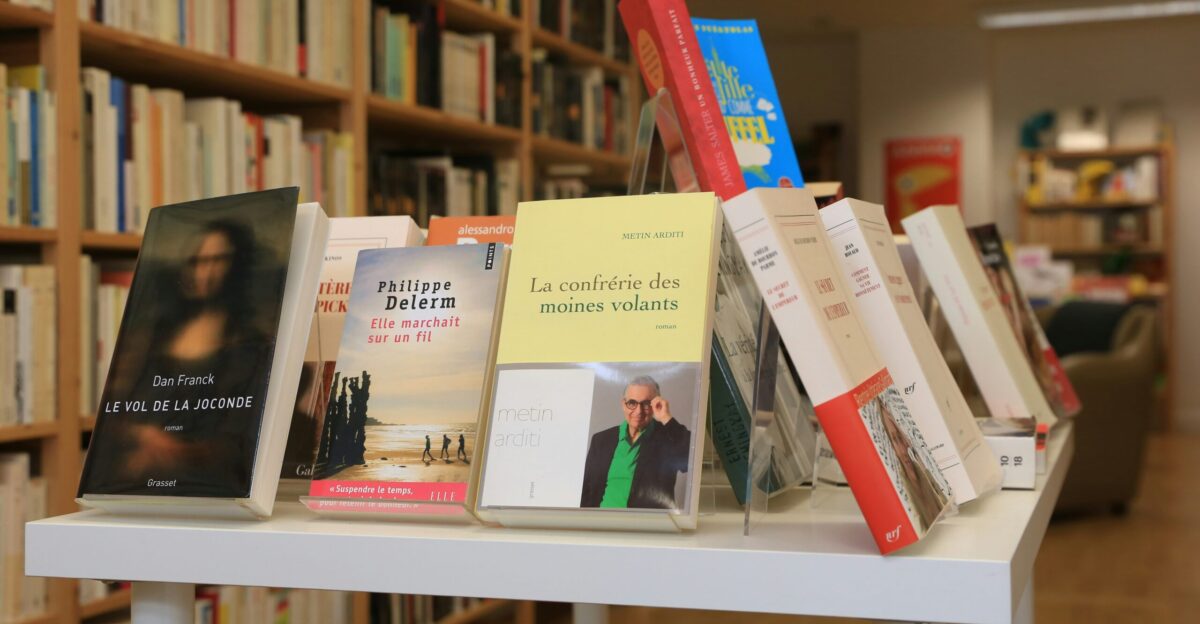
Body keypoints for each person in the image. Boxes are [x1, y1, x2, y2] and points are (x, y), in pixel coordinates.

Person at [580, 375, 690, 509]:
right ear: (623, 404)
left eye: (646, 404)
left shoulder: (668, 438)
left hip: (645, 525)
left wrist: (666, 418)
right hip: (603, 523)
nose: (638, 411)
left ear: (656, 405)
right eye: (632, 403)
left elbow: (690, 462)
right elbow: (587, 490)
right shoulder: (601, 440)